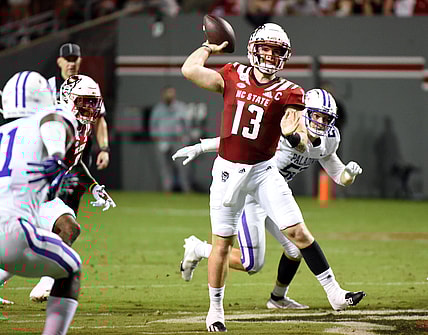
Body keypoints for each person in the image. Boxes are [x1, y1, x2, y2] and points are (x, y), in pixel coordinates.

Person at [180, 23, 365, 332]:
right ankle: (215, 310)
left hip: (265, 173)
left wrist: (295, 137)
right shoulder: (231, 73)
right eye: (265, 48)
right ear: (254, 49)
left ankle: (334, 294)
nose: (270, 55)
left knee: (299, 235)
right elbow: (190, 70)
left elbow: (296, 128)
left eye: (276, 50)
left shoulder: (290, 91)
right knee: (223, 247)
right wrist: (209, 47)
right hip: (228, 173)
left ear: (284, 56)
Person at [174, 88, 363, 311]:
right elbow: (239, 142)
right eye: (316, 115)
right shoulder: (282, 124)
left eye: (326, 118)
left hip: (274, 192)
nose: (320, 122)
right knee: (251, 264)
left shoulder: (329, 140)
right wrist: (202, 146)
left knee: (296, 247)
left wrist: (349, 175)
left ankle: (279, 298)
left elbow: (337, 173)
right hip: (252, 194)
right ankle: (199, 249)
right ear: (304, 112)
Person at [0, 74, 116, 303]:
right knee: (47, 234)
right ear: (68, 98)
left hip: (37, 195)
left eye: (93, 102)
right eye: (84, 101)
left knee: (46, 235)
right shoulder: (55, 121)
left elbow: (75, 161)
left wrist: (92, 187)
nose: (90, 107)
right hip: (21, 195)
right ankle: (48, 280)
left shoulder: (76, 124)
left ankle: (47, 280)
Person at [0, 70, 81, 333]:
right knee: (71, 267)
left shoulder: (2, 133)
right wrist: (57, 156)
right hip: (12, 231)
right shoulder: (47, 118)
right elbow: (53, 121)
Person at [150, 86, 192, 192]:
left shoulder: (181, 107)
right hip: (163, 140)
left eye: (171, 93)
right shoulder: (158, 109)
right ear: (163, 94)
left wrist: (186, 137)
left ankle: (186, 189)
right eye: (167, 93)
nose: (169, 95)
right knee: (164, 167)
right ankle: (167, 190)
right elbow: (153, 125)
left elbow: (187, 124)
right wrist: (157, 139)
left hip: (178, 140)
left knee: (182, 166)